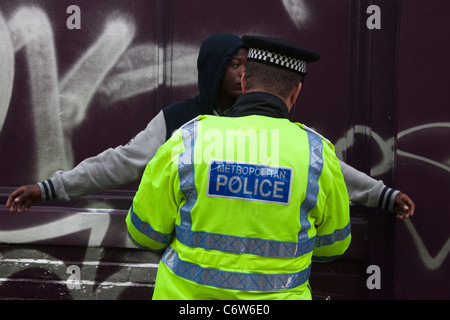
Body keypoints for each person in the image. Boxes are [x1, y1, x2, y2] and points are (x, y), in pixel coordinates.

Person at [5, 33, 414, 219]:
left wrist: (381, 195)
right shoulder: (179, 121)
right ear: (213, 69)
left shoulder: (271, 126)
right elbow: (122, 162)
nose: (242, 74)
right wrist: (50, 188)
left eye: (247, 66)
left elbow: (326, 168)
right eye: (234, 65)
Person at [126, 35, 351, 299]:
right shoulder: (317, 153)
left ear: (244, 82)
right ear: (295, 92)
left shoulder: (188, 139)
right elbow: (333, 246)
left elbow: (144, 234)